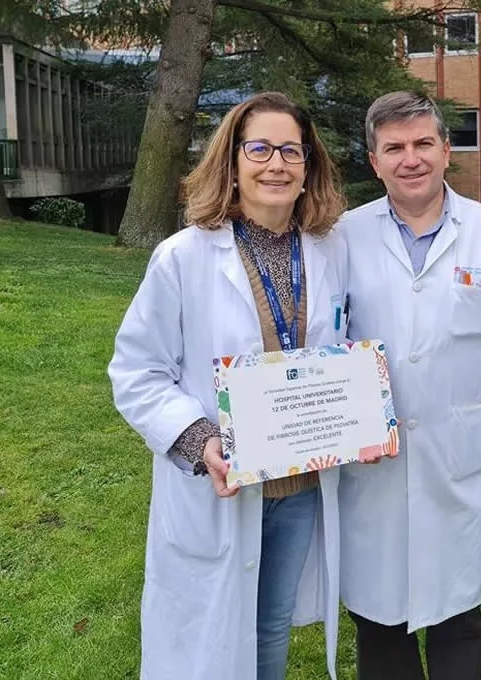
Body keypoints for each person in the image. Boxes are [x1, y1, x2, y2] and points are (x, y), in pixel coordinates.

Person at [108, 92, 350, 680]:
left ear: (308, 166)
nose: (276, 164)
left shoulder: (329, 250)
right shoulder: (183, 257)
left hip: (299, 486)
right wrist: (198, 439)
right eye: (260, 149)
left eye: (291, 150)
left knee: (270, 627)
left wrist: (360, 416)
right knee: (208, 639)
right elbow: (136, 371)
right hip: (220, 483)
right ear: (233, 162)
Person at [336, 91, 481, 680]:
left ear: (447, 150)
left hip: (461, 451)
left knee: (459, 616)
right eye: (394, 148)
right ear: (375, 162)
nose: (411, 158)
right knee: (379, 618)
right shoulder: (343, 235)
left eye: (423, 143)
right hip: (374, 461)